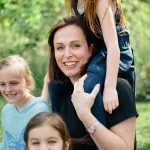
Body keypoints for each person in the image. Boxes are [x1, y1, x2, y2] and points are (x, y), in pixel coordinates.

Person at [42, 16, 138, 150]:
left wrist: (85, 114)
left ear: (91, 49)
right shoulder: (59, 91)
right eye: (60, 48)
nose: (67, 54)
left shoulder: (116, 89)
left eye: (76, 45)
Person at [64, 0, 135, 114]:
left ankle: (98, 129)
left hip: (112, 53)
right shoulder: (75, 2)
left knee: (89, 87)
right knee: (56, 85)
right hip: (94, 50)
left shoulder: (100, 2)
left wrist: (110, 88)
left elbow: (113, 46)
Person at [0, 55, 51, 150]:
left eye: (14, 83)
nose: (8, 89)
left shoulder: (40, 110)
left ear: (28, 82)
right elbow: (5, 144)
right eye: (2, 84)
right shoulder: (6, 110)